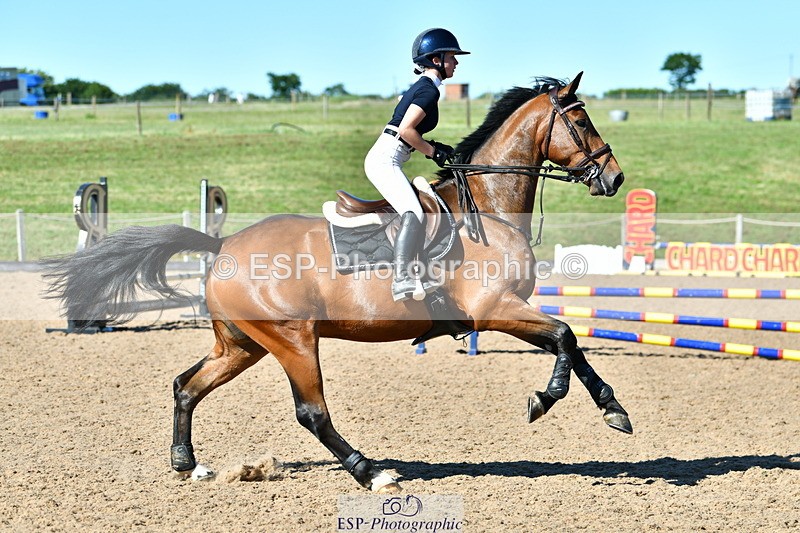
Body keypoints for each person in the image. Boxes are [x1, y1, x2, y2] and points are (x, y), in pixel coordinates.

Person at [364, 28, 469, 302]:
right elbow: (406, 130)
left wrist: (434, 146)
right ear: (436, 60)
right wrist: (433, 152)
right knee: (414, 212)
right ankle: (401, 279)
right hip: (385, 159)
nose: (456, 62)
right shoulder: (427, 91)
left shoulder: (424, 87)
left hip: (390, 156)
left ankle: (420, 269)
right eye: (452, 57)